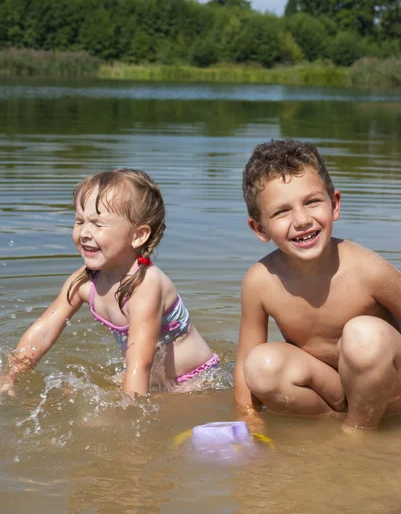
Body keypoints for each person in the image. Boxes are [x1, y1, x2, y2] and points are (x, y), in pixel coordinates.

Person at [1, 169, 221, 397]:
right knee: (71, 392)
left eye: (98, 224)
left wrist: (128, 417)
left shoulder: (146, 286)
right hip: (150, 377)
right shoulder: (83, 281)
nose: (85, 232)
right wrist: (12, 373)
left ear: (138, 235)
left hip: (195, 381)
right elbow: (44, 330)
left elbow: (140, 364)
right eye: (79, 221)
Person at [234, 139, 401, 431]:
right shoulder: (260, 282)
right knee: (261, 365)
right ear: (260, 228)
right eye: (281, 212)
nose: (302, 220)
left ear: (334, 204)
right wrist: (248, 422)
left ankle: (357, 434)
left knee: (364, 335)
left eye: (312, 202)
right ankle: (332, 426)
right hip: (334, 393)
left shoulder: (368, 270)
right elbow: (244, 362)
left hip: (391, 394)